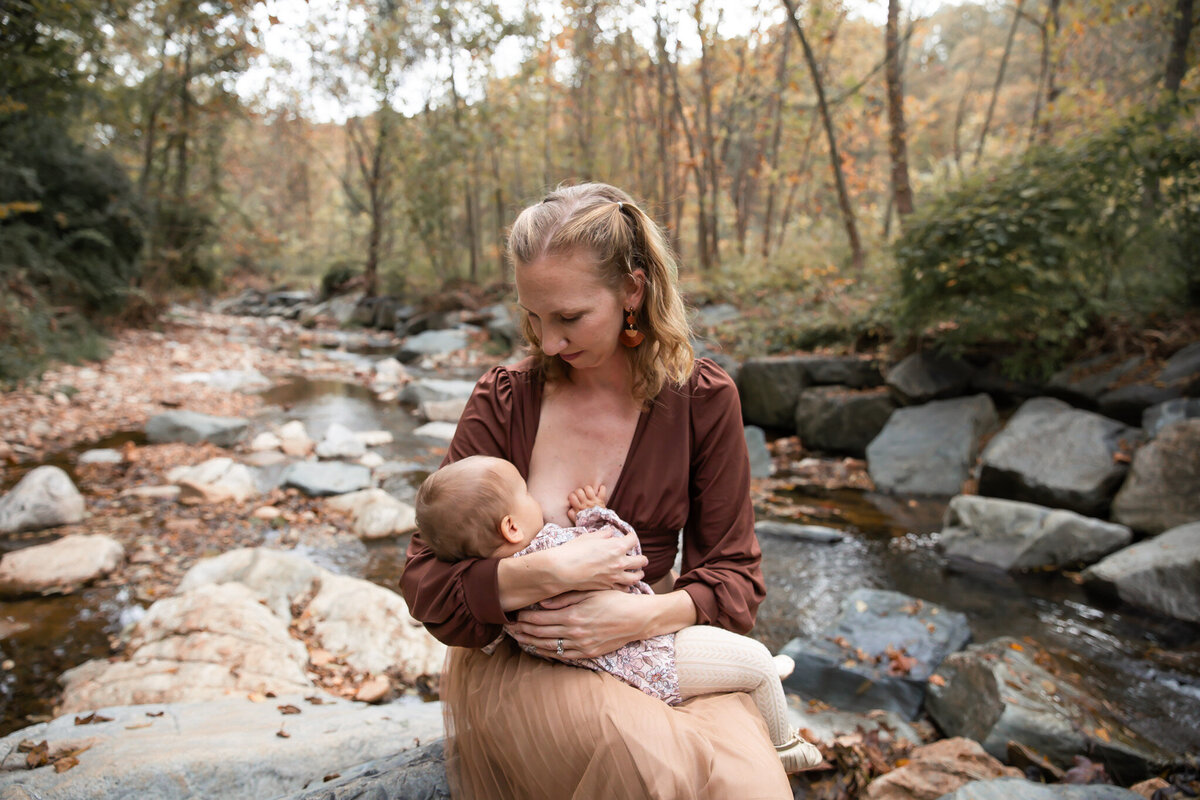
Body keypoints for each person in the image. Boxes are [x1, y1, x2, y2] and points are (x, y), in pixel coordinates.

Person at [400, 182, 795, 798]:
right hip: (528, 662)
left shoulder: (703, 400)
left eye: (569, 317)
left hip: (658, 643)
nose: (548, 342)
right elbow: (423, 581)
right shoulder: (506, 398)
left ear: (632, 290)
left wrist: (639, 617)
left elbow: (735, 577)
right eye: (533, 317)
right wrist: (546, 573)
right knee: (650, 768)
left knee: (749, 784)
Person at [413, 454, 822, 774]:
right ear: (511, 528)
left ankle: (761, 669)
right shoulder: (551, 545)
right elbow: (626, 554)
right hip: (645, 655)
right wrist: (595, 513)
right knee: (751, 663)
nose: (536, 500)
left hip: (611, 663)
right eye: (526, 494)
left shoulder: (506, 589)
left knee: (733, 657)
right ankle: (785, 747)